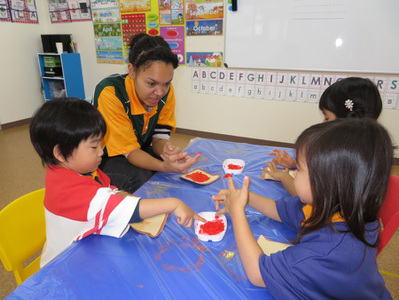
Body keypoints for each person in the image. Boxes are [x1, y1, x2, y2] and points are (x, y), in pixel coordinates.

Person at [213, 118, 393, 299]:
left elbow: (257, 274)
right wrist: (245, 198)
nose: (293, 174)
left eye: (298, 169)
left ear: (326, 184)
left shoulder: (325, 254)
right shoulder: (340, 208)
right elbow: (278, 209)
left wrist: (237, 213)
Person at [30, 98, 205, 267]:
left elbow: (108, 192)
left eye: (101, 144)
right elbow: (128, 210)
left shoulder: (67, 171)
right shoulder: (73, 191)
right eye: (94, 147)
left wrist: (121, 195)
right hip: (64, 267)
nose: (101, 152)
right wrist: (174, 204)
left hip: (81, 252)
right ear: (60, 153)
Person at [93, 33, 200, 193]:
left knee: (174, 167)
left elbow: (159, 137)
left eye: (166, 83)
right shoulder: (111, 92)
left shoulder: (166, 92)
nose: (159, 92)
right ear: (132, 71)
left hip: (136, 150)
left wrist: (166, 150)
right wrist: (163, 166)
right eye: (151, 83)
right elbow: (129, 151)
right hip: (105, 158)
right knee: (142, 177)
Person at [263, 77, 383, 195]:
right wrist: (296, 164)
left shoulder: (340, 155)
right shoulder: (368, 147)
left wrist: (283, 177)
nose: (323, 123)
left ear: (347, 120)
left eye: (327, 117)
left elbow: (308, 198)